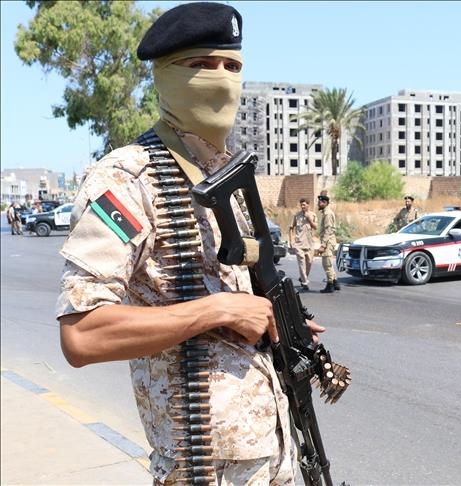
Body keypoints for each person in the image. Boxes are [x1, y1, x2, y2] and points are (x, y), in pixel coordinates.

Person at [55, 3, 323, 484]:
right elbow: (82, 335)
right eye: (201, 65)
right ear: (165, 76)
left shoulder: (226, 175)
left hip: (269, 450)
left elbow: (237, 293)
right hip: (201, 466)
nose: (221, 80)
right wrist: (219, 310)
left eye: (231, 66)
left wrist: (276, 320)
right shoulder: (127, 179)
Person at [288, 197, 317, 291]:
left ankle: (303, 277)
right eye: (301, 205)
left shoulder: (313, 215)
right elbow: (291, 228)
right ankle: (305, 282)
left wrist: (309, 219)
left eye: (304, 205)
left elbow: (315, 227)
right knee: (301, 264)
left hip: (310, 244)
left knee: (309, 263)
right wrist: (291, 240)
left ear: (308, 205)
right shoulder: (297, 216)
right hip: (299, 244)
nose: (302, 206)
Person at [317, 191, 340, 293]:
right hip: (329, 241)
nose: (319, 204)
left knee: (327, 264)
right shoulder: (326, 213)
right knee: (329, 263)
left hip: (328, 242)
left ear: (325, 203)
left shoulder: (327, 213)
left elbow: (328, 230)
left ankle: (330, 285)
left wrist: (323, 245)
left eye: (320, 202)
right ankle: (335, 282)